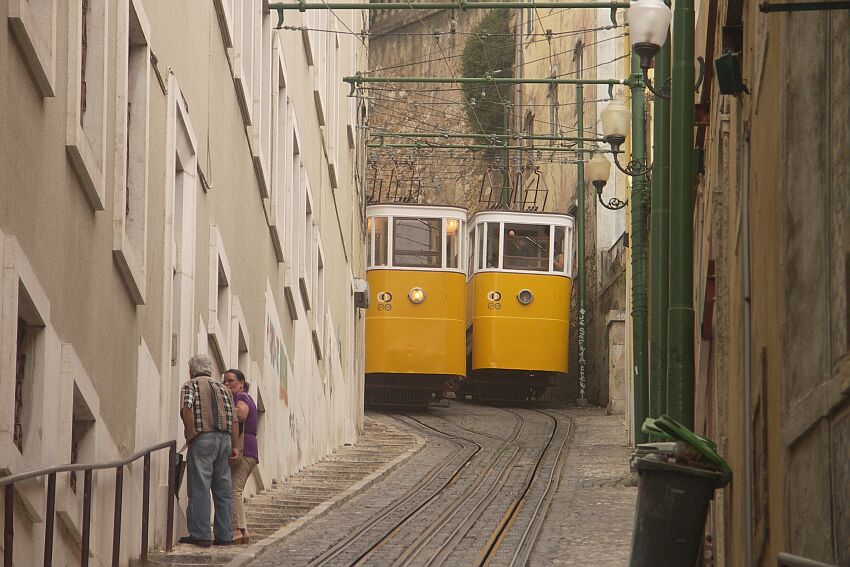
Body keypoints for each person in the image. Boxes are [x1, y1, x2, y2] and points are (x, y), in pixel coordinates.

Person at [179, 354, 240, 547]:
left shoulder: (191, 385)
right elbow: (235, 419)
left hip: (203, 438)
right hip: (225, 439)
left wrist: (190, 434)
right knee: (223, 489)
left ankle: (201, 534)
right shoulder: (223, 388)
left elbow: (186, 409)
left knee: (200, 487)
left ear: (191, 370)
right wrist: (235, 446)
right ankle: (224, 535)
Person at [223, 369, 259, 544]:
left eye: (230, 381)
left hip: (245, 449)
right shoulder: (244, 397)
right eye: (225, 381)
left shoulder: (242, 397)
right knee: (234, 489)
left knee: (233, 490)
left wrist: (224, 410)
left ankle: (238, 529)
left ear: (241, 383)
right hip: (250, 449)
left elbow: (241, 414)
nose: (227, 384)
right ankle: (242, 531)